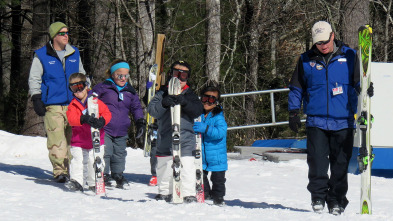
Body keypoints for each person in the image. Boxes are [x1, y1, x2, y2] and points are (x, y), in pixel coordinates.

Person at [288, 21, 373, 215]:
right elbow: (296, 88)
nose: (323, 46)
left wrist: (368, 88)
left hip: (343, 119)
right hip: (316, 121)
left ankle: (337, 200)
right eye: (318, 43)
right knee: (317, 162)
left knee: (340, 164)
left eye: (325, 41)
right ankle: (317, 196)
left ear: (333, 36)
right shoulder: (305, 60)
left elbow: (361, 81)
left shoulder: (350, 56)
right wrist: (293, 112)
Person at [28, 21, 87, 183]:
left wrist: (86, 92)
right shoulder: (41, 54)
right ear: (54, 36)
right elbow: (34, 78)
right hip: (52, 103)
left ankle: (73, 169)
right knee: (57, 138)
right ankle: (60, 170)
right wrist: (36, 97)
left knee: (72, 138)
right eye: (62, 33)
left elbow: (81, 74)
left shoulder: (74, 52)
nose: (66, 35)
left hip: (73, 103)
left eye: (67, 32)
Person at [147, 60, 204, 203]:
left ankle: (188, 193)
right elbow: (152, 110)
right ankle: (165, 191)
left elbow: (197, 110)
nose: (179, 77)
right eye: (175, 73)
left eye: (183, 75)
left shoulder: (189, 94)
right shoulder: (162, 93)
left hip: (184, 137)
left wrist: (185, 102)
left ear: (187, 77)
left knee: (186, 166)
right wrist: (164, 103)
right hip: (166, 137)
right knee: (164, 166)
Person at [93, 59, 145, 189]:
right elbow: (92, 100)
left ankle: (117, 174)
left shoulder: (130, 91)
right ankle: (103, 174)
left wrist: (140, 121)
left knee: (120, 153)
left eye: (126, 75)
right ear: (112, 74)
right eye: (119, 75)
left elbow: (136, 107)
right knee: (106, 151)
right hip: (105, 128)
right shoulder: (103, 87)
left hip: (122, 129)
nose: (123, 78)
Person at [65, 73, 112, 191]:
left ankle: (94, 182)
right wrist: (82, 118)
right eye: (73, 88)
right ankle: (77, 181)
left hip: (95, 141)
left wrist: (102, 121)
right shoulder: (73, 105)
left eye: (80, 87)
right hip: (79, 141)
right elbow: (71, 119)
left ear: (86, 86)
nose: (77, 91)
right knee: (78, 161)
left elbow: (107, 113)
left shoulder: (95, 101)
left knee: (94, 160)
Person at [193, 83, 228, 206]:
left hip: (217, 156)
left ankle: (218, 198)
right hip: (202, 155)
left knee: (218, 180)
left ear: (217, 102)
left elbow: (221, 132)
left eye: (212, 99)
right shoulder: (198, 114)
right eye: (205, 98)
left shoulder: (218, 116)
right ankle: (206, 194)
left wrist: (206, 128)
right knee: (200, 176)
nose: (207, 102)